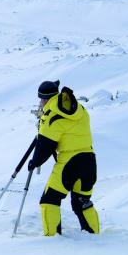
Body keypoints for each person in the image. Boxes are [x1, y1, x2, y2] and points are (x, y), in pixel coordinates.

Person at [28, 80, 100, 236]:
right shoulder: (79, 108)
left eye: (41, 99)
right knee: (82, 201)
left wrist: (34, 162)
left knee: (50, 200)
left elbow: (45, 147)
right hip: (89, 160)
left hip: (69, 163)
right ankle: (94, 235)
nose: (40, 103)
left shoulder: (51, 115)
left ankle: (52, 238)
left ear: (45, 99)